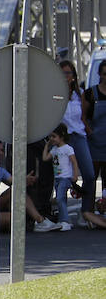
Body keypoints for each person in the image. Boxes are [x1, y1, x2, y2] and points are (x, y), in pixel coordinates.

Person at [0, 147, 55, 233]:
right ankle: (36, 221)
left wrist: (25, 180)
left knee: (18, 190)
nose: (1, 153)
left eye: (2, 151)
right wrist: (13, 193)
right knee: (15, 216)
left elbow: (14, 182)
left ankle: (39, 221)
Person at [59, 60, 95, 208]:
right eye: (62, 73)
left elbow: (84, 115)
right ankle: (63, 215)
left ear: (73, 76)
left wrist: (88, 130)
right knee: (63, 178)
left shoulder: (79, 94)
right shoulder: (55, 94)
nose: (65, 76)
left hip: (78, 136)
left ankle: (87, 210)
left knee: (89, 175)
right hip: (62, 138)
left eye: (68, 73)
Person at [43, 124, 80, 230]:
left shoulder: (67, 149)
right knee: (62, 199)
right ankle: (63, 219)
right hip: (58, 178)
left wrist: (75, 175)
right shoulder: (54, 149)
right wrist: (47, 146)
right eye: (50, 137)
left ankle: (65, 221)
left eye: (54, 136)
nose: (51, 139)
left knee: (59, 198)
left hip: (65, 177)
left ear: (62, 136)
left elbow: (74, 162)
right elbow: (45, 158)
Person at [85, 60, 106, 194]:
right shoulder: (90, 94)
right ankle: (89, 209)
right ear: (99, 74)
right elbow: (83, 117)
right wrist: (90, 132)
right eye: (105, 74)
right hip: (95, 143)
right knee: (91, 178)